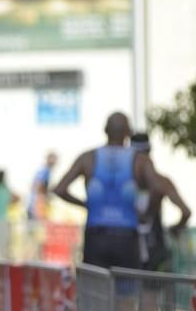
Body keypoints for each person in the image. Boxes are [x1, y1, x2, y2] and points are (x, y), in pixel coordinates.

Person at [53, 112, 162, 269]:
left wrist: (85, 204)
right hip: (127, 235)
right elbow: (157, 189)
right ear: (128, 132)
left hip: (96, 234)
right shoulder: (140, 160)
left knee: (96, 290)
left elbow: (59, 189)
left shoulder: (88, 158)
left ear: (105, 130)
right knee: (128, 290)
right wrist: (147, 215)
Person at [131, 132, 191, 311]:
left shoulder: (126, 182)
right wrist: (175, 229)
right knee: (150, 309)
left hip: (131, 250)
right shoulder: (162, 181)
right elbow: (186, 211)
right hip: (154, 250)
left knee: (128, 308)